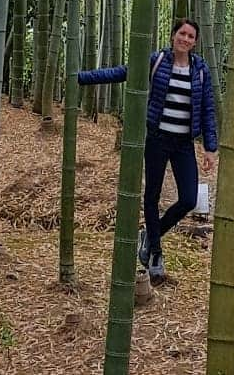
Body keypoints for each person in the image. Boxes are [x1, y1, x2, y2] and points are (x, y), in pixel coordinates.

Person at [77, 18, 218, 281]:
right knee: (151, 195)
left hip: (183, 143)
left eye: (190, 36)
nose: (185, 39)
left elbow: (208, 109)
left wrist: (210, 147)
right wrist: (82, 77)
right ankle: (155, 252)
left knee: (188, 199)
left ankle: (151, 234)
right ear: (173, 35)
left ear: (195, 42)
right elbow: (123, 72)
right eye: (181, 33)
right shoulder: (158, 60)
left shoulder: (200, 70)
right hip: (157, 138)